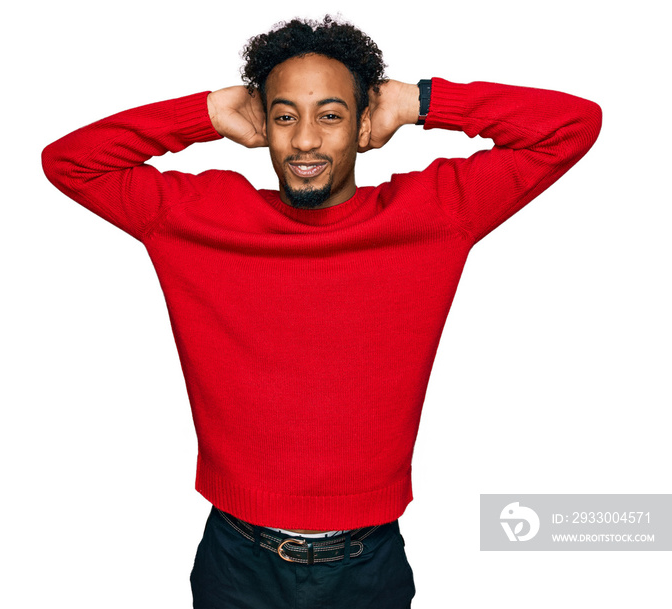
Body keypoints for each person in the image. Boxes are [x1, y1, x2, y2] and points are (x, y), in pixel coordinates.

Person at [41, 14, 602, 609]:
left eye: (330, 115)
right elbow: (70, 162)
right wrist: (204, 112)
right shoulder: (195, 217)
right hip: (236, 562)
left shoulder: (435, 216)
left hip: (368, 565)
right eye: (285, 116)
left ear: (365, 123)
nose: (305, 139)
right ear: (262, 123)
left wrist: (418, 102)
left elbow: (571, 126)